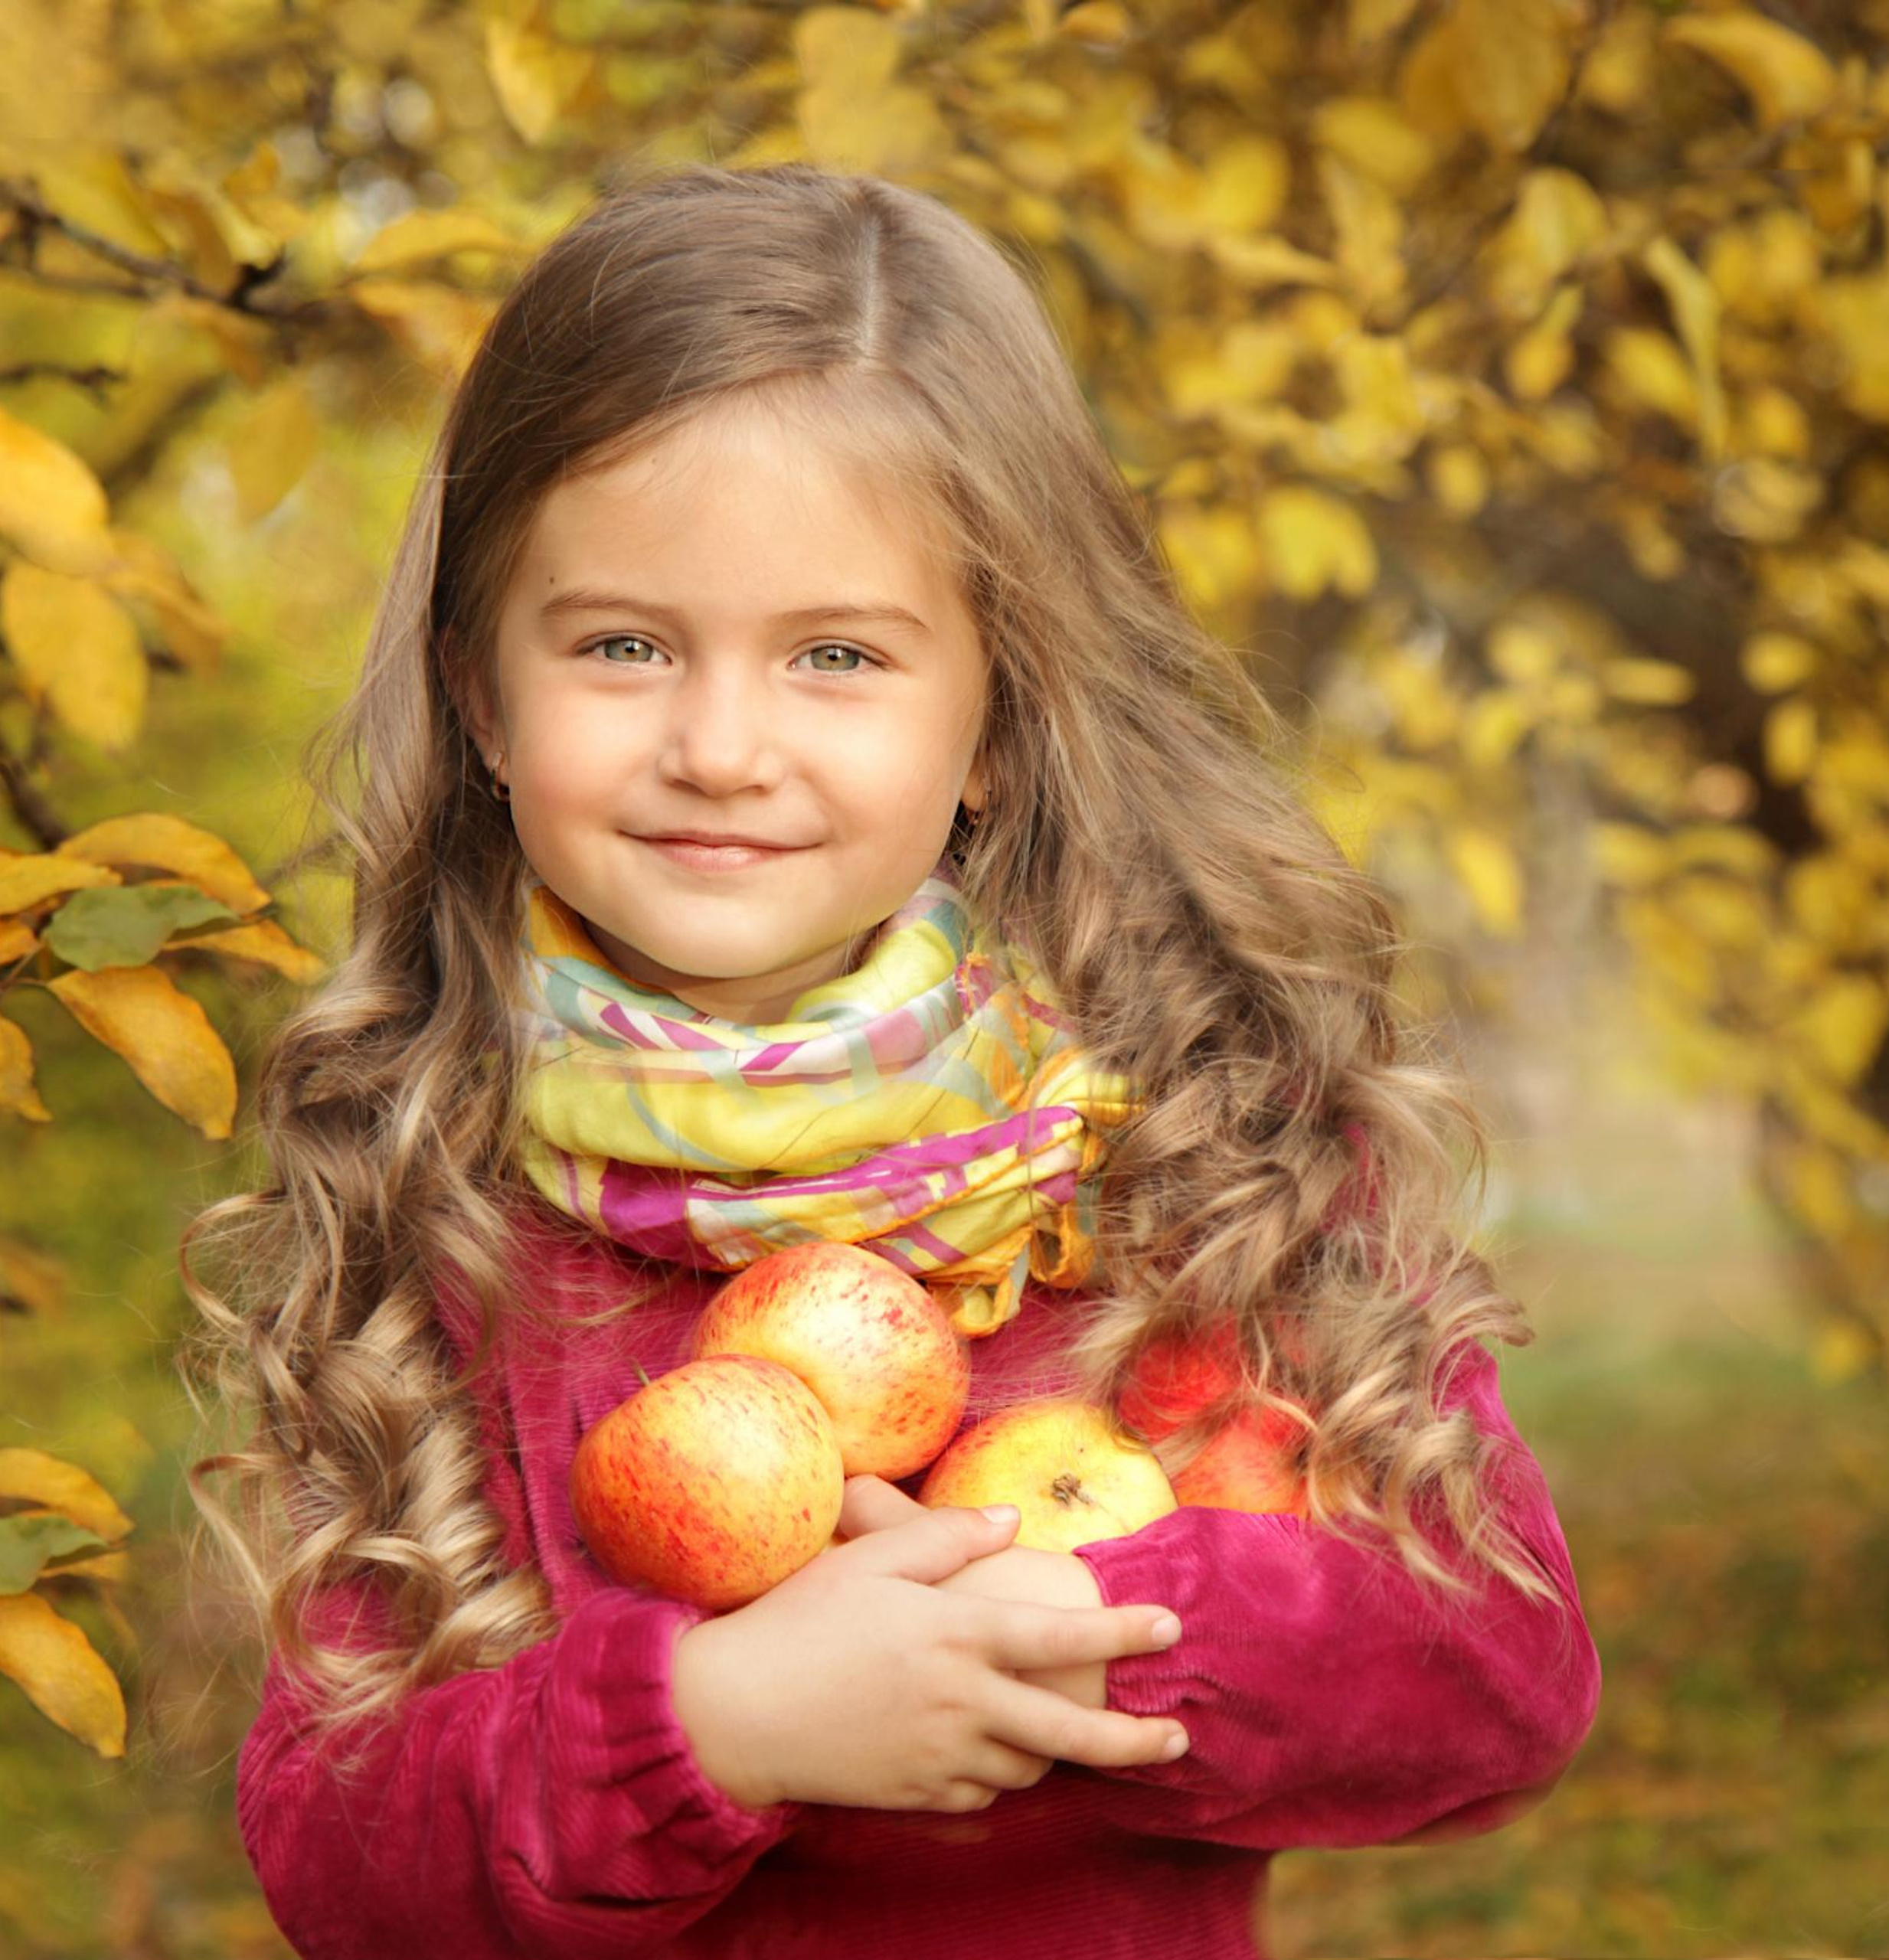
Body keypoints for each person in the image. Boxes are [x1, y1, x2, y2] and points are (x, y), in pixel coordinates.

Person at [180, 161, 1601, 1960]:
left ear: (995, 715)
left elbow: (1496, 1665)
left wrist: (1059, 1620)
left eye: (835, 654)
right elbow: (340, 1850)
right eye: (622, 644)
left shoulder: (1191, 1139)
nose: (719, 744)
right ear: (481, 696)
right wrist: (709, 1728)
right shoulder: (436, 1187)